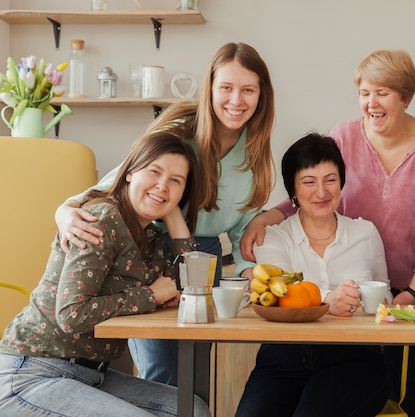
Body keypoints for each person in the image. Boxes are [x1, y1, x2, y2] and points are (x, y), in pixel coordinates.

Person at [241, 50, 415, 417]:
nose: (371, 103)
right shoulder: (343, 136)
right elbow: (311, 185)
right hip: (346, 298)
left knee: (402, 400)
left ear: (405, 97)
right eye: (364, 92)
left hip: (412, 295)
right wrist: (267, 217)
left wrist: (409, 294)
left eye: (383, 93)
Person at [54, 42, 276, 385]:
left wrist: (249, 267)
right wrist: (65, 210)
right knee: (164, 371)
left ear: (262, 96)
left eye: (248, 90)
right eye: (226, 88)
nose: (236, 100)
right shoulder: (177, 131)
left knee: (197, 377)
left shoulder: (256, 149)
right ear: (210, 89)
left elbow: (244, 222)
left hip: (206, 260)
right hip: (151, 253)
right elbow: (120, 181)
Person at [0, 132, 210, 417]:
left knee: (191, 409)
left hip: (91, 374)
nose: (162, 186)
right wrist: (150, 295)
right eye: (154, 172)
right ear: (129, 173)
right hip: (33, 370)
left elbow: (191, 284)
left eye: (176, 181)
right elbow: (72, 313)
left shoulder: (149, 236)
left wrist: (173, 216)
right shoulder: (101, 218)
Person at [235, 133, 391, 417]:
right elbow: (276, 295)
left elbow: (385, 298)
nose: (321, 192)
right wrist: (329, 300)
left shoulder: (364, 233)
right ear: (292, 191)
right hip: (283, 358)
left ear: (341, 183)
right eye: (309, 182)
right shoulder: (272, 238)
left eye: (330, 180)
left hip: (355, 358)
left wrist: (368, 302)